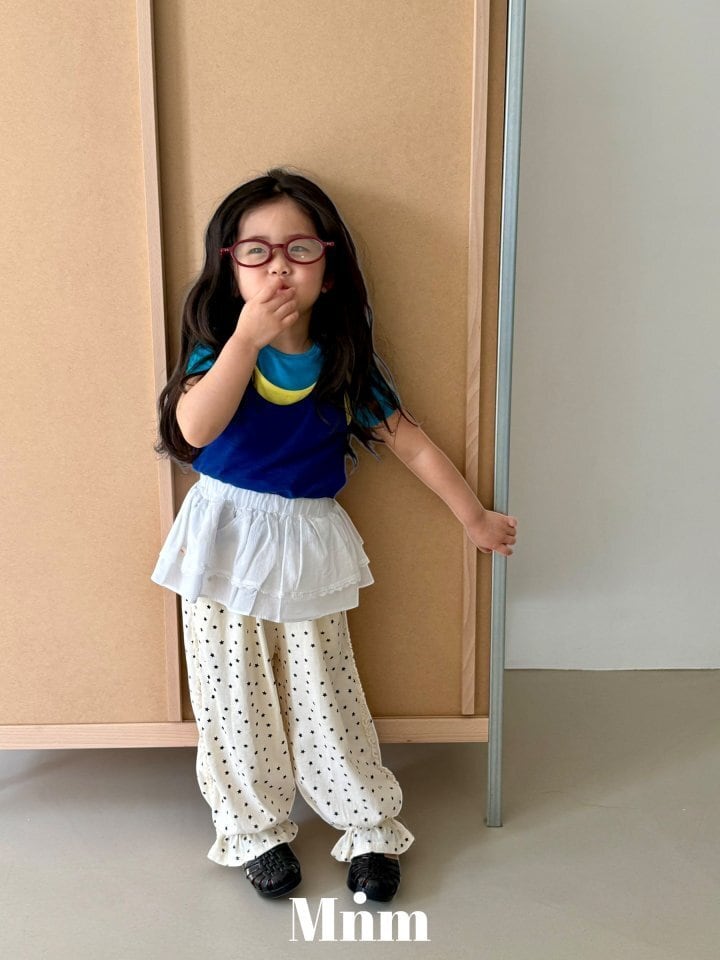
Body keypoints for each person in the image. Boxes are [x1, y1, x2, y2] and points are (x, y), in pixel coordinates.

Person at [151, 168, 518, 902]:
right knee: (232, 693)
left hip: (306, 540)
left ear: (329, 265)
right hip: (222, 537)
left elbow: (410, 442)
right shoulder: (216, 350)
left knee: (325, 689)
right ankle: (254, 830)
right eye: (255, 251)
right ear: (229, 267)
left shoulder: (345, 362)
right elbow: (194, 429)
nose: (278, 266)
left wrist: (473, 516)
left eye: (299, 249)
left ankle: (368, 825)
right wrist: (246, 340)